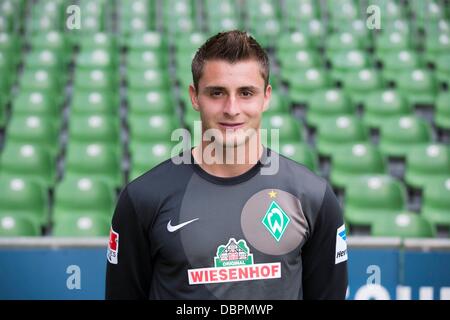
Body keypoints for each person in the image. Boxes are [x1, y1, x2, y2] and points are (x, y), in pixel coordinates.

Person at [105, 30, 348, 299]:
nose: (231, 108)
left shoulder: (313, 196)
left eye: (246, 93)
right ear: (195, 97)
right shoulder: (143, 198)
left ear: (266, 97)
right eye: (217, 93)